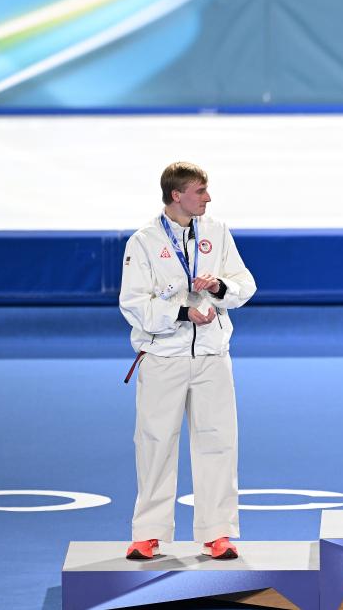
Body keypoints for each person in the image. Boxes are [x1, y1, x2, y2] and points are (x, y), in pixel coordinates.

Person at [119, 161, 256, 560]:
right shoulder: (143, 242)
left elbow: (245, 285)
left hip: (212, 354)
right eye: (200, 191)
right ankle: (147, 533)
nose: (208, 198)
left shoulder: (217, 232)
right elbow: (133, 304)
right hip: (164, 356)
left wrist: (219, 286)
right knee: (155, 443)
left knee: (219, 442)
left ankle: (218, 533)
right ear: (177, 195)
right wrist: (181, 313)